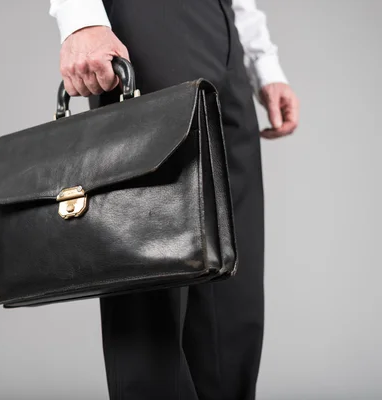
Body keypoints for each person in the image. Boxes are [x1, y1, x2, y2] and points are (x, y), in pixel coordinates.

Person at [49, 0, 299, 399]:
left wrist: (261, 61)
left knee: (233, 289)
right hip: (146, 22)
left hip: (223, 29)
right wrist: (80, 20)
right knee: (152, 286)